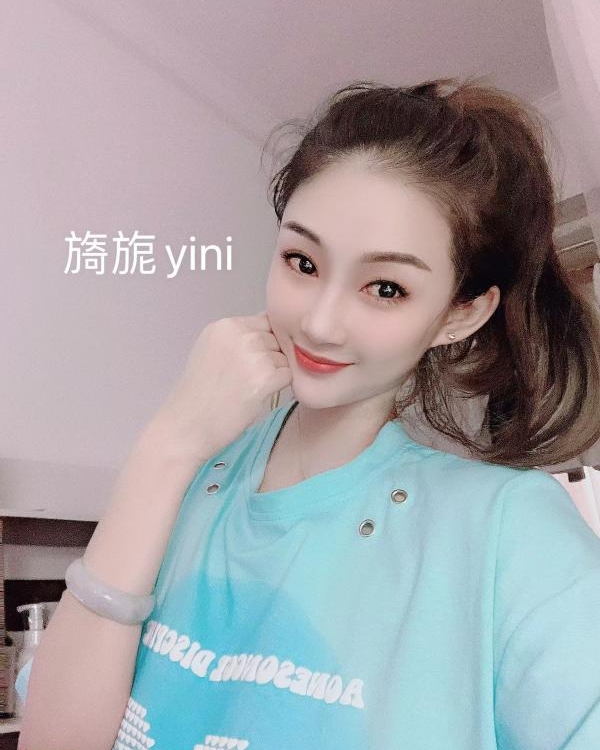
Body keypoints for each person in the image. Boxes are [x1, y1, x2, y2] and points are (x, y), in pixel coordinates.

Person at [18, 77, 600, 750]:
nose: (320, 323)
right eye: (302, 261)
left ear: (459, 314)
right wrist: (168, 444)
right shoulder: (188, 477)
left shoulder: (510, 535)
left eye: (386, 288)